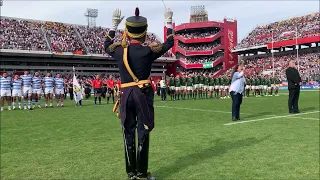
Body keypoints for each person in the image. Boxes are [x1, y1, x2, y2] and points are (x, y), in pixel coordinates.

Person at [104, 7, 174, 180]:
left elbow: (106, 45)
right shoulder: (148, 50)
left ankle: (131, 173)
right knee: (143, 133)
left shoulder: (119, 50)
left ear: (127, 32)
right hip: (143, 95)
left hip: (126, 95)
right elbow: (169, 43)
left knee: (128, 133)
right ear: (144, 33)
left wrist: (114, 25)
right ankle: (142, 174)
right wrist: (168, 22)